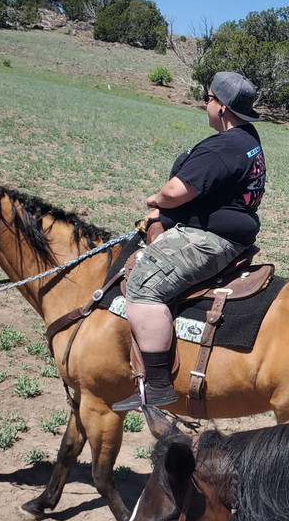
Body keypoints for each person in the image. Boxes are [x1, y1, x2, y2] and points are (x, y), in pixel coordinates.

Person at [112, 71, 267, 412]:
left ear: (222, 107)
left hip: (213, 239)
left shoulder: (224, 147)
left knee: (143, 285)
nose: (205, 104)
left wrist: (156, 201)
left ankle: (157, 385)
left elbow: (174, 192)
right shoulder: (247, 138)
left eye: (208, 98)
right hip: (232, 231)